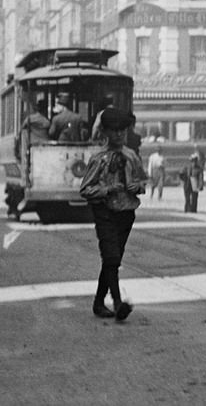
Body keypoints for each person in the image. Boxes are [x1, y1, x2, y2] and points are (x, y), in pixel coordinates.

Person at [79, 107, 146, 322]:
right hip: (105, 212)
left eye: (122, 131)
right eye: (114, 131)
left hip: (126, 213)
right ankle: (118, 303)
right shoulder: (99, 159)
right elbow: (85, 189)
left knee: (112, 261)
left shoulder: (131, 156)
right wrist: (107, 190)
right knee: (111, 257)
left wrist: (137, 187)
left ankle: (99, 302)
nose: (119, 135)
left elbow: (142, 180)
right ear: (105, 132)